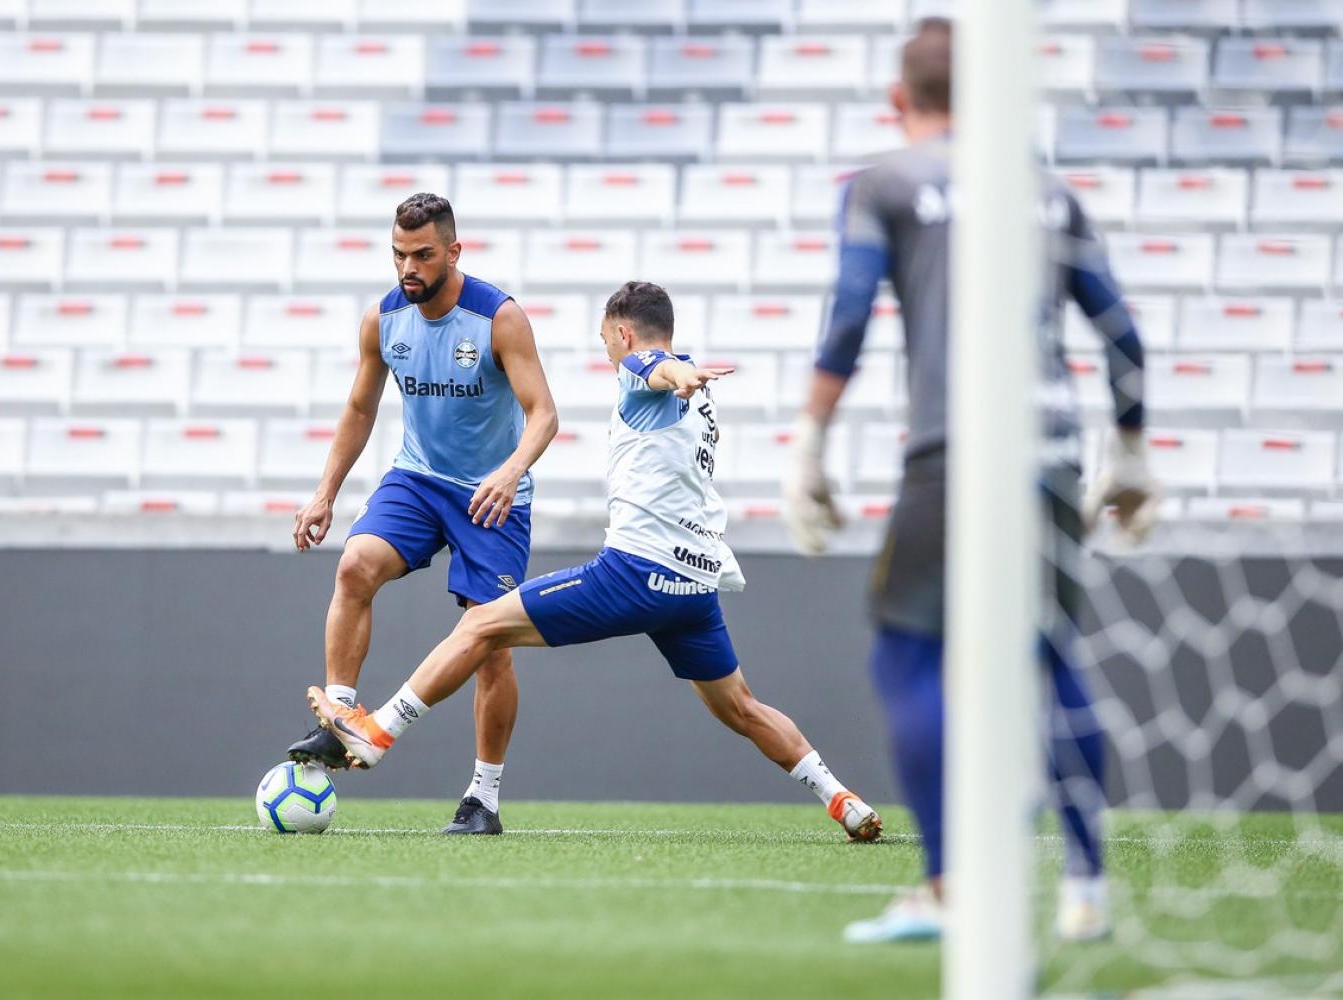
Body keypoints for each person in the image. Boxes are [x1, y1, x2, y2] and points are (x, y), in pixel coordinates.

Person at [782, 19, 1158, 942]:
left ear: (898, 100)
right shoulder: (1044, 190)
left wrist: (810, 445)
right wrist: (1135, 451)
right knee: (1048, 654)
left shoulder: (887, 182)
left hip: (954, 452)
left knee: (907, 655)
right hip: (1054, 450)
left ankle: (951, 886)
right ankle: (1086, 887)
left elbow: (847, 316)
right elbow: (1120, 331)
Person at [305, 281, 884, 841]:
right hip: (692, 585)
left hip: (634, 574)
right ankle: (842, 799)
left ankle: (377, 732)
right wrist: (685, 374)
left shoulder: (645, 374)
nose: (605, 348)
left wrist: (674, 370)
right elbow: (669, 373)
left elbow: (652, 368)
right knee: (742, 706)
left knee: (480, 625)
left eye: (606, 337)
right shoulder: (698, 402)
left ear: (625, 333)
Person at [288, 193, 559, 835]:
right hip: (418, 477)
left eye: (422, 255)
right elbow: (359, 409)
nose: (408, 268)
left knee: (489, 643)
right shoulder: (382, 320)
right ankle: (341, 720)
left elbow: (544, 413)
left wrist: (512, 469)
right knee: (355, 565)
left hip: (491, 494)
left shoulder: (499, 318)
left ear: (454, 252)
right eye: (398, 254)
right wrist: (325, 491)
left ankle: (483, 798)